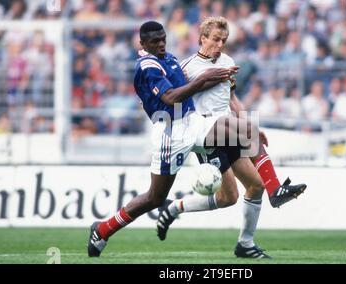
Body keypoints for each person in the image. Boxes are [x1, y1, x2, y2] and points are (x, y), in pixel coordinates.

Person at [87, 21, 254, 257]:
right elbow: (170, 98)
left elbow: (191, 88)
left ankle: (274, 185)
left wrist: (218, 77)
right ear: (142, 44)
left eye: (163, 39)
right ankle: (103, 229)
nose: (161, 44)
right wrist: (203, 78)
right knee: (155, 197)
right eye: (155, 41)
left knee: (244, 129)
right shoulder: (147, 66)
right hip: (171, 133)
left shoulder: (170, 59)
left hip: (194, 123)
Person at [156, 17, 307, 259]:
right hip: (206, 136)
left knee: (255, 186)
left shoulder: (228, 62)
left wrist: (250, 125)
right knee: (229, 197)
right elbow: (178, 99)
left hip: (229, 130)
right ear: (202, 38)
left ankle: (246, 243)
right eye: (215, 39)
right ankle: (175, 207)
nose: (219, 44)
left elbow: (232, 100)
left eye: (223, 40)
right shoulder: (186, 68)